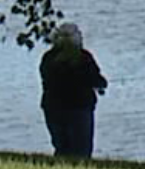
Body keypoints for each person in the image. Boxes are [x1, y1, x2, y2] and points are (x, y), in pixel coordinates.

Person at [39, 22, 108, 158]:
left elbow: (46, 78)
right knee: (81, 148)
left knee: (62, 147)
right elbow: (96, 79)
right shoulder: (83, 58)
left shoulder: (49, 59)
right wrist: (101, 84)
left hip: (53, 108)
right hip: (79, 108)